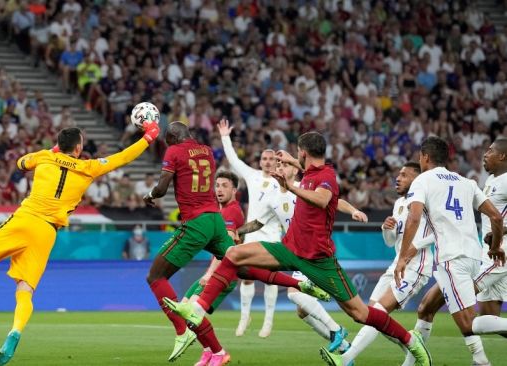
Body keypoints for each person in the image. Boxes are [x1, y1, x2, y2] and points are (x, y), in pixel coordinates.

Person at [164, 132, 432, 366]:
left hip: (318, 260)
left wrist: (290, 185)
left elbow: (323, 198)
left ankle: (411, 342)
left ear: (303, 152)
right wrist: (292, 166)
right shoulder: (310, 173)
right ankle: (197, 310)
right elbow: (306, 176)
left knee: (360, 313)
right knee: (235, 254)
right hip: (289, 249)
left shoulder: (325, 176)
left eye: (297, 154)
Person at [0, 122, 160, 366]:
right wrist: (149, 136)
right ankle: (15, 332)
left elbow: (20, 163)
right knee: (25, 290)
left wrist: (50, 153)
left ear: (58, 145)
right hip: (46, 232)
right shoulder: (90, 167)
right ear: (79, 149)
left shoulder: (43, 157)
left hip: (23, 219)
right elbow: (124, 156)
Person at [144, 122, 328, 365]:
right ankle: (298, 283)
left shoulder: (174, 151)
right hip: (214, 221)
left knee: (155, 277)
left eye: (168, 140)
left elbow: (163, 187)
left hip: (196, 223)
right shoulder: (206, 151)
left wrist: (150, 195)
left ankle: (182, 330)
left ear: (173, 138)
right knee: (241, 267)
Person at [236, 155, 368, 353]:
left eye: (285, 164)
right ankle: (343, 347)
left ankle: (336, 330)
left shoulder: (303, 187)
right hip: (295, 251)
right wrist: (237, 231)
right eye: (278, 164)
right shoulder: (271, 196)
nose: (280, 166)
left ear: (295, 170)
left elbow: (333, 200)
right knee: (301, 311)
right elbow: (258, 223)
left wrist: (353, 210)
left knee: (293, 293)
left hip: (314, 250)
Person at [396, 137, 507, 366]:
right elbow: (496, 216)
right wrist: (495, 247)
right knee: (426, 307)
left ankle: (482, 362)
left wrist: (402, 256)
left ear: (425, 157)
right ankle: (412, 364)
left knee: (469, 323)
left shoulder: (423, 180)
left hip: (451, 259)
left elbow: (414, 217)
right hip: (475, 256)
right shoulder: (466, 182)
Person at [323, 162, 435, 365]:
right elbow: (391, 241)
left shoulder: (427, 200)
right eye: (398, 174)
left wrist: (416, 247)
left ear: (416, 180)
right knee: (370, 315)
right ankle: (414, 349)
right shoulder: (400, 203)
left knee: (379, 313)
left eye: (404, 175)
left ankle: (345, 359)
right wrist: (386, 228)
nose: (398, 178)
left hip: (416, 267)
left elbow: (439, 231)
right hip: (396, 265)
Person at [218, 119, 282, 338]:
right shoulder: (253, 176)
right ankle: (245, 316)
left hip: (272, 236)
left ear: (277, 161)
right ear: (260, 161)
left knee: (270, 278)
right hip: (252, 234)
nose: (267, 161)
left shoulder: (283, 183)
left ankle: (268, 320)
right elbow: (234, 160)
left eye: (271, 159)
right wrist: (225, 137)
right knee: (246, 276)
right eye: (264, 158)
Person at [182, 170, 244, 365]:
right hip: (216, 271)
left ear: (234, 190)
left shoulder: (231, 211)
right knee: (183, 308)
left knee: (190, 310)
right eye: (217, 185)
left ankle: (218, 352)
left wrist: (210, 274)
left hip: (223, 274)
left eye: (225, 186)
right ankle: (208, 351)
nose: (219, 189)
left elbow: (226, 249)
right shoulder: (221, 211)